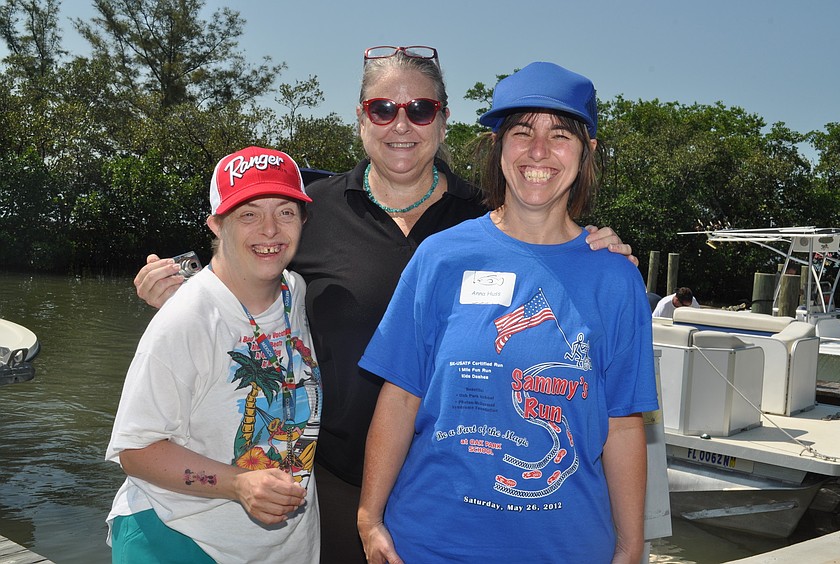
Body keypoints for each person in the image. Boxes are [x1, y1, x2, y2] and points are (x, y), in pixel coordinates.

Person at [132, 46, 635, 563]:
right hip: (330, 482)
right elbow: (241, 280)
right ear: (360, 117)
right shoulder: (307, 211)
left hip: (455, 488)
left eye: (420, 109)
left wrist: (605, 254)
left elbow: (562, 264)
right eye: (382, 108)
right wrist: (179, 292)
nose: (402, 123)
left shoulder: (491, 216)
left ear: (443, 121)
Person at [357, 62, 658, 563]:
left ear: (586, 154)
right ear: (498, 147)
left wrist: (630, 548)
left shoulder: (617, 278)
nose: (538, 151)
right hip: (430, 543)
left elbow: (624, 426)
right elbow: (400, 396)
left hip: (567, 548)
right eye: (522, 132)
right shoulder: (440, 256)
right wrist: (369, 517)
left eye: (560, 135)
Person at [107, 147, 321, 563]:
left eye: (286, 212)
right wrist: (238, 484)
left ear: (303, 221)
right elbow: (135, 451)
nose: (270, 229)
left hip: (278, 547)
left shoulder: (295, 292)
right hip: (180, 538)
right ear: (216, 224)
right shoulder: (185, 318)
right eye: (248, 214)